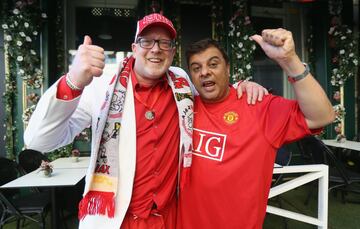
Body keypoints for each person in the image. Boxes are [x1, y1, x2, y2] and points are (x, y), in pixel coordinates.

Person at [24, 13, 267, 229]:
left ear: (172, 51)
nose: (156, 49)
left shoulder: (181, 81)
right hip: (118, 219)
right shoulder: (102, 87)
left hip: (171, 218)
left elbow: (213, 93)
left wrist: (241, 87)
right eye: (146, 41)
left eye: (164, 43)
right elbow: (39, 140)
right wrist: (73, 81)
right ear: (134, 47)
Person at [177, 31, 335, 229]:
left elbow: (322, 116)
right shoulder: (184, 107)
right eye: (196, 68)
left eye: (213, 64)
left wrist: (290, 60)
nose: (204, 72)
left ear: (227, 68)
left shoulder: (258, 106)